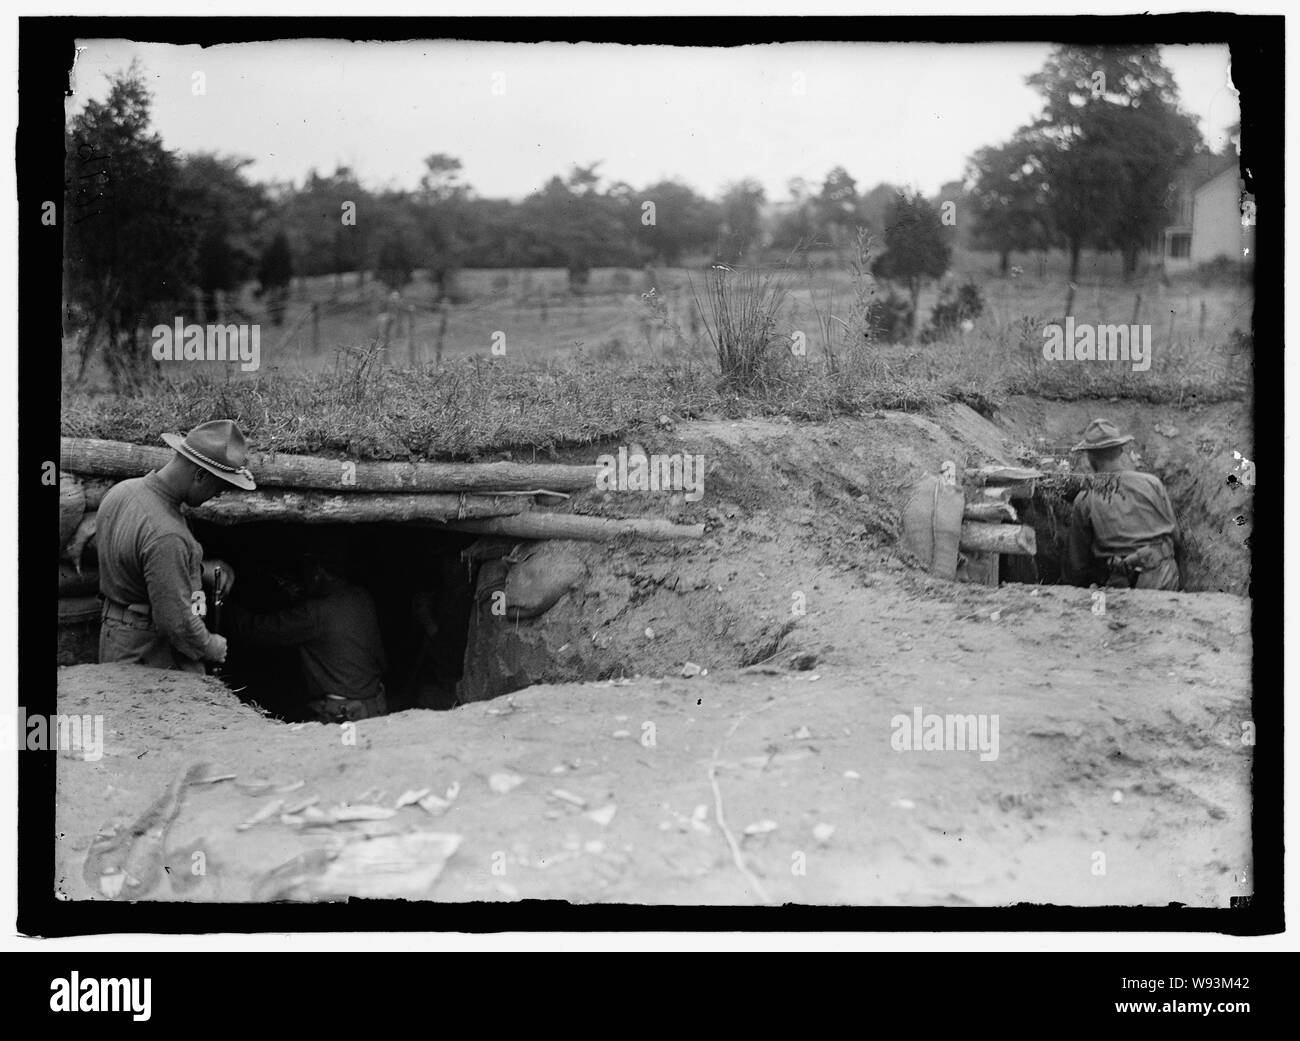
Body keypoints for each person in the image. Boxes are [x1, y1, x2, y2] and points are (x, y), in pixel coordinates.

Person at [96, 419, 255, 672]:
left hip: (117, 640)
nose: (218, 495)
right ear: (201, 475)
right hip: (151, 656)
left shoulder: (123, 492)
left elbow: (138, 560)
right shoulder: (168, 535)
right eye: (220, 486)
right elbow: (177, 622)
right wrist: (210, 646)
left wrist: (197, 568)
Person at [226, 549, 388, 723]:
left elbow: (253, 630)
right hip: (376, 706)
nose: (301, 577)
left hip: (343, 715)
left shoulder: (314, 612)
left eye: (303, 571)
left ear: (317, 573)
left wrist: (224, 599)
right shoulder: (361, 597)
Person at [1064, 419, 1185, 591]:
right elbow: (1176, 537)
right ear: (1121, 450)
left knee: (1099, 608)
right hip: (1165, 577)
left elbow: (1077, 566)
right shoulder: (1153, 483)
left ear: (1090, 457)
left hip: (1121, 583)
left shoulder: (1085, 499)